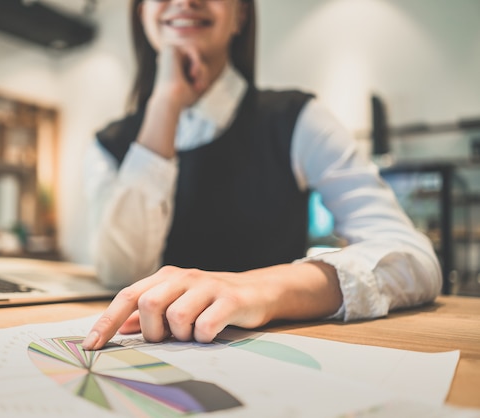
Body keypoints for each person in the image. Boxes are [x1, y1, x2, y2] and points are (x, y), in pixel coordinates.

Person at [81, 0, 441, 351]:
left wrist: (263, 288)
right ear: (142, 12)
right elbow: (119, 273)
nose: (185, 1)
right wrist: (164, 104)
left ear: (240, 13)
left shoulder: (298, 119)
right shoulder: (106, 144)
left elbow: (413, 259)